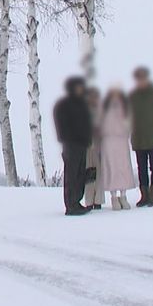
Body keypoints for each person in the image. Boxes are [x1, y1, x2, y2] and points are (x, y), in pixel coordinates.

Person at [129, 67, 153, 207]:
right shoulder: (132, 96)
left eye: (143, 78)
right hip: (138, 139)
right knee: (141, 169)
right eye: (138, 79)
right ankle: (144, 195)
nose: (141, 81)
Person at [53, 76, 93, 216]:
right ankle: (71, 204)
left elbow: (88, 123)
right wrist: (68, 139)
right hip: (71, 145)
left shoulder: (83, 104)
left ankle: (77, 202)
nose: (80, 90)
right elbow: (61, 126)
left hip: (82, 144)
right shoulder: (64, 105)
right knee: (71, 175)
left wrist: (87, 138)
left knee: (80, 174)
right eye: (77, 87)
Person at [98, 87, 137, 210]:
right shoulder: (103, 109)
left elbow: (129, 124)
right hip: (108, 142)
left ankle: (123, 196)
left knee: (123, 168)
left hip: (121, 141)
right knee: (112, 169)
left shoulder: (125, 110)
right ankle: (114, 197)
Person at [82, 86, 105, 211]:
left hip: (99, 145)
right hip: (87, 146)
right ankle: (89, 200)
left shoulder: (100, 112)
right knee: (89, 173)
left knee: (99, 174)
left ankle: (98, 200)